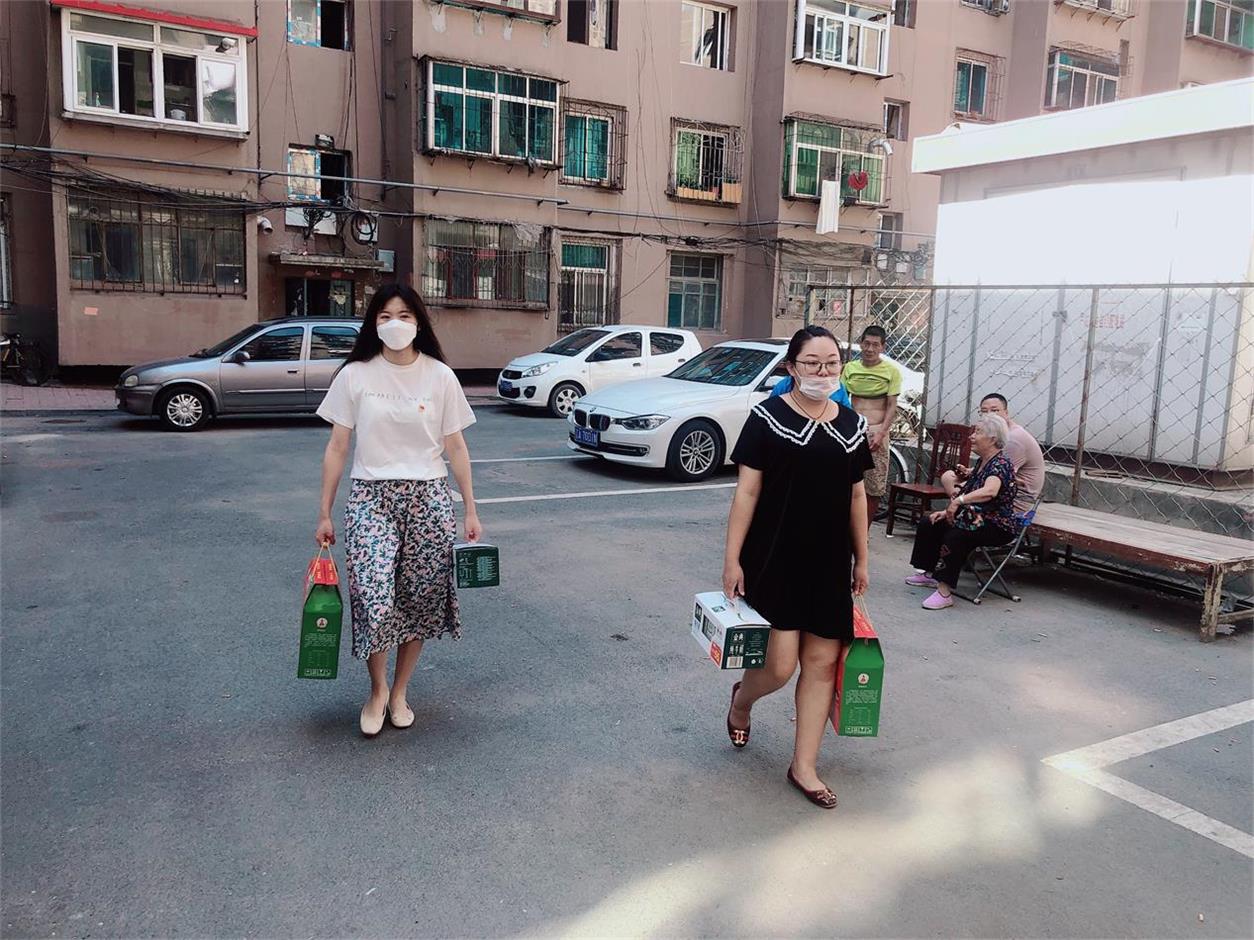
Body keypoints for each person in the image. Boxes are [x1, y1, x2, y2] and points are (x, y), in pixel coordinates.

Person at [314, 284, 482, 738]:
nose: (395, 324)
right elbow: (337, 446)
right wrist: (324, 511)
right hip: (371, 497)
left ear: (419, 322)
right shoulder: (355, 375)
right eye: (385, 315)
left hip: (429, 497)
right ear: (373, 323)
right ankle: (377, 689)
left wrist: (470, 507)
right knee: (373, 594)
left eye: (404, 315)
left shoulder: (440, 376)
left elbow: (456, 447)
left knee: (419, 600)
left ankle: (400, 691)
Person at [723, 325, 874, 810]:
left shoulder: (852, 424)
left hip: (829, 561)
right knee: (780, 665)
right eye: (812, 363)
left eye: (831, 363)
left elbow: (856, 495)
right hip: (775, 557)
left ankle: (803, 766)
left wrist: (862, 557)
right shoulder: (766, 417)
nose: (822, 371)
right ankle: (742, 701)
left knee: (823, 664)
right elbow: (747, 492)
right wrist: (732, 559)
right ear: (792, 367)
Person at [905, 413, 1018, 610]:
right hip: (976, 518)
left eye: (978, 432)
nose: (972, 436)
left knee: (957, 534)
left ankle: (944, 592)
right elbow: (969, 489)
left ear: (992, 439)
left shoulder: (1001, 464)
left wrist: (959, 501)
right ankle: (929, 574)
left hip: (997, 525)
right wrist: (947, 511)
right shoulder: (983, 462)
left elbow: (990, 491)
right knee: (930, 522)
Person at [942, 393, 1044, 515]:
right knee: (948, 477)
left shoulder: (1013, 439)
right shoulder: (996, 433)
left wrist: (962, 493)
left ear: (1006, 413)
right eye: (984, 411)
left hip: (1016, 499)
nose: (989, 415)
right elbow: (991, 468)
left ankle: (959, 510)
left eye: (995, 411)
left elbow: (1001, 475)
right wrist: (969, 472)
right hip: (997, 484)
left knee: (962, 488)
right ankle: (960, 510)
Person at [842, 326, 901, 527]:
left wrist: (881, 433)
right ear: (860, 344)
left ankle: (863, 532)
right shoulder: (849, 368)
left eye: (875, 345)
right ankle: (844, 530)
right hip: (851, 431)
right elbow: (842, 400)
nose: (870, 349)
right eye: (866, 343)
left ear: (883, 347)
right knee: (845, 482)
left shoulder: (892, 371)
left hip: (876, 432)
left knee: (873, 487)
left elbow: (892, 406)